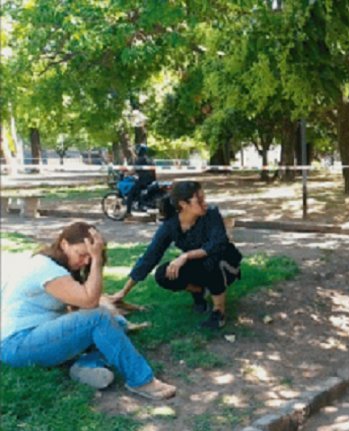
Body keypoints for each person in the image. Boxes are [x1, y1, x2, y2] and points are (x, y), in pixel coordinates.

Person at [0, 222, 176, 399]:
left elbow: (82, 307)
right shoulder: (45, 268)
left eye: (89, 257)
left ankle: (86, 365)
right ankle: (142, 381)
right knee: (99, 318)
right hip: (17, 344)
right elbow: (90, 302)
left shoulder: (55, 265)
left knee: (118, 322)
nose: (86, 261)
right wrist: (97, 260)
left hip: (36, 336)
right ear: (64, 244)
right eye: (82, 254)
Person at [111, 181, 242, 329]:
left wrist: (185, 256)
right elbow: (150, 256)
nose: (205, 203)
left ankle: (219, 312)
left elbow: (218, 244)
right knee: (163, 274)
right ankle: (200, 292)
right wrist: (123, 292)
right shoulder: (171, 226)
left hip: (226, 264)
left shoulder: (211, 214)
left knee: (211, 260)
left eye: (204, 198)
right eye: (199, 200)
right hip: (201, 265)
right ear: (183, 204)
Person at [126, 144, 157, 215]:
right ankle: (140, 204)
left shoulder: (139, 160)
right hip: (151, 181)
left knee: (130, 194)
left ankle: (128, 212)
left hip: (143, 181)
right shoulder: (150, 159)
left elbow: (133, 171)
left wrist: (127, 173)